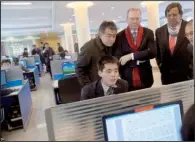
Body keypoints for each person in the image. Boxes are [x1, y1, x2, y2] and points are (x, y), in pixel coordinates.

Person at [113, 8, 156, 91]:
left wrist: (130, 56)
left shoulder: (148, 33)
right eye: (132, 18)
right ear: (126, 19)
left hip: (146, 76)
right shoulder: (119, 36)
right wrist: (142, 56)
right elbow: (118, 58)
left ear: (140, 19)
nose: (135, 21)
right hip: (126, 78)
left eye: (137, 18)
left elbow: (152, 52)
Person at [155, 3, 193, 85]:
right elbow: (157, 53)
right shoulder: (159, 31)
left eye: (174, 15)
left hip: (187, 78)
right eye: (169, 15)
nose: (171, 17)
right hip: (167, 78)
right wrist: (161, 66)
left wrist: (191, 70)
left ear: (181, 15)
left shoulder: (190, 28)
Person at [76, 21, 118, 87]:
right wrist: (89, 87)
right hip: (95, 88)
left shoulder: (112, 45)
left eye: (114, 36)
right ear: (100, 35)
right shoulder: (89, 48)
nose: (112, 39)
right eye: (109, 36)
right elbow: (79, 69)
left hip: (109, 86)